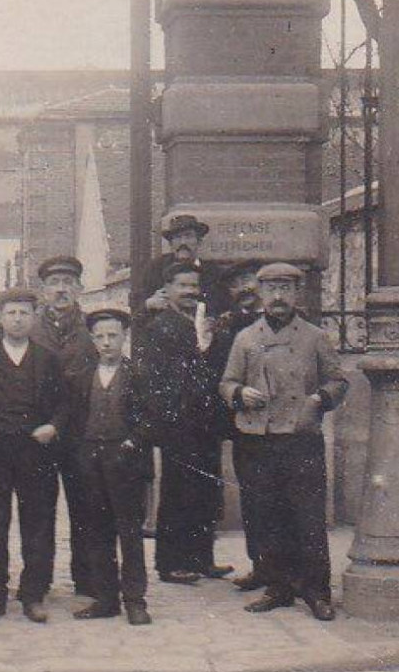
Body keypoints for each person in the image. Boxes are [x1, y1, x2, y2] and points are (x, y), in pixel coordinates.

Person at [219, 262, 349, 621]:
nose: (278, 296)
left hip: (300, 438)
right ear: (260, 294)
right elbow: (226, 382)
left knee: (307, 518)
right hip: (258, 441)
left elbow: (339, 382)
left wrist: (318, 400)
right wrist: (240, 392)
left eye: (286, 289)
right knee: (266, 517)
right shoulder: (246, 338)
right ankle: (277, 588)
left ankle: (316, 592)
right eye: (271, 289)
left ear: (297, 294)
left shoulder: (315, 337)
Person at [0, 288, 70, 624]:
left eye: (24, 313)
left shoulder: (47, 358)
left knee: (37, 524)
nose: (17, 319)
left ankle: (32, 595)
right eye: (11, 313)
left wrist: (52, 425)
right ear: (0, 316)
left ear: (33, 318)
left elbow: (65, 402)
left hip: (36, 451)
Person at [139, 261, 232, 584]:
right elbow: (155, 378)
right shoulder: (160, 326)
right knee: (179, 491)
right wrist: (170, 416)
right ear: (168, 290)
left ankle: (203, 557)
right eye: (183, 286)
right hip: (178, 422)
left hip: (205, 420)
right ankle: (170, 562)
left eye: (194, 286)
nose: (191, 292)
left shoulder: (200, 323)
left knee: (206, 489)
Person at [67, 308, 155, 625]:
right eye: (100, 336)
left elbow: (151, 417)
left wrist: (132, 442)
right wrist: (81, 450)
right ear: (92, 339)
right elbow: (73, 419)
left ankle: (135, 599)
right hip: (91, 461)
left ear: (124, 337)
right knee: (96, 530)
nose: (107, 342)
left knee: (129, 533)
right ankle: (105, 599)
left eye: (113, 336)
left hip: (125, 462)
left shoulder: (139, 374)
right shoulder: (81, 376)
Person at [27, 255, 100, 597]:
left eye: (68, 283)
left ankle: (86, 578)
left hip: (81, 432)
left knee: (85, 505)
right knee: (39, 510)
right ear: (43, 291)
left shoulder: (92, 329)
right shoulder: (29, 328)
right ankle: (38, 582)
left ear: (79, 289)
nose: (61, 290)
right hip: (40, 431)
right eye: (54, 283)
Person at [204, 261, 269, 593]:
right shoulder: (227, 330)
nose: (245, 288)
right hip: (246, 423)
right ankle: (261, 566)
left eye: (250, 280)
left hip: (284, 425)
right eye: (237, 284)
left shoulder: (281, 321)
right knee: (254, 497)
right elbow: (220, 377)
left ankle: (290, 569)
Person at [137, 214, 226, 317]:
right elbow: (138, 309)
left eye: (188, 236)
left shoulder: (213, 272)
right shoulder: (155, 269)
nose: (183, 243)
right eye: (178, 237)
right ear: (171, 243)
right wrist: (149, 304)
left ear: (199, 242)